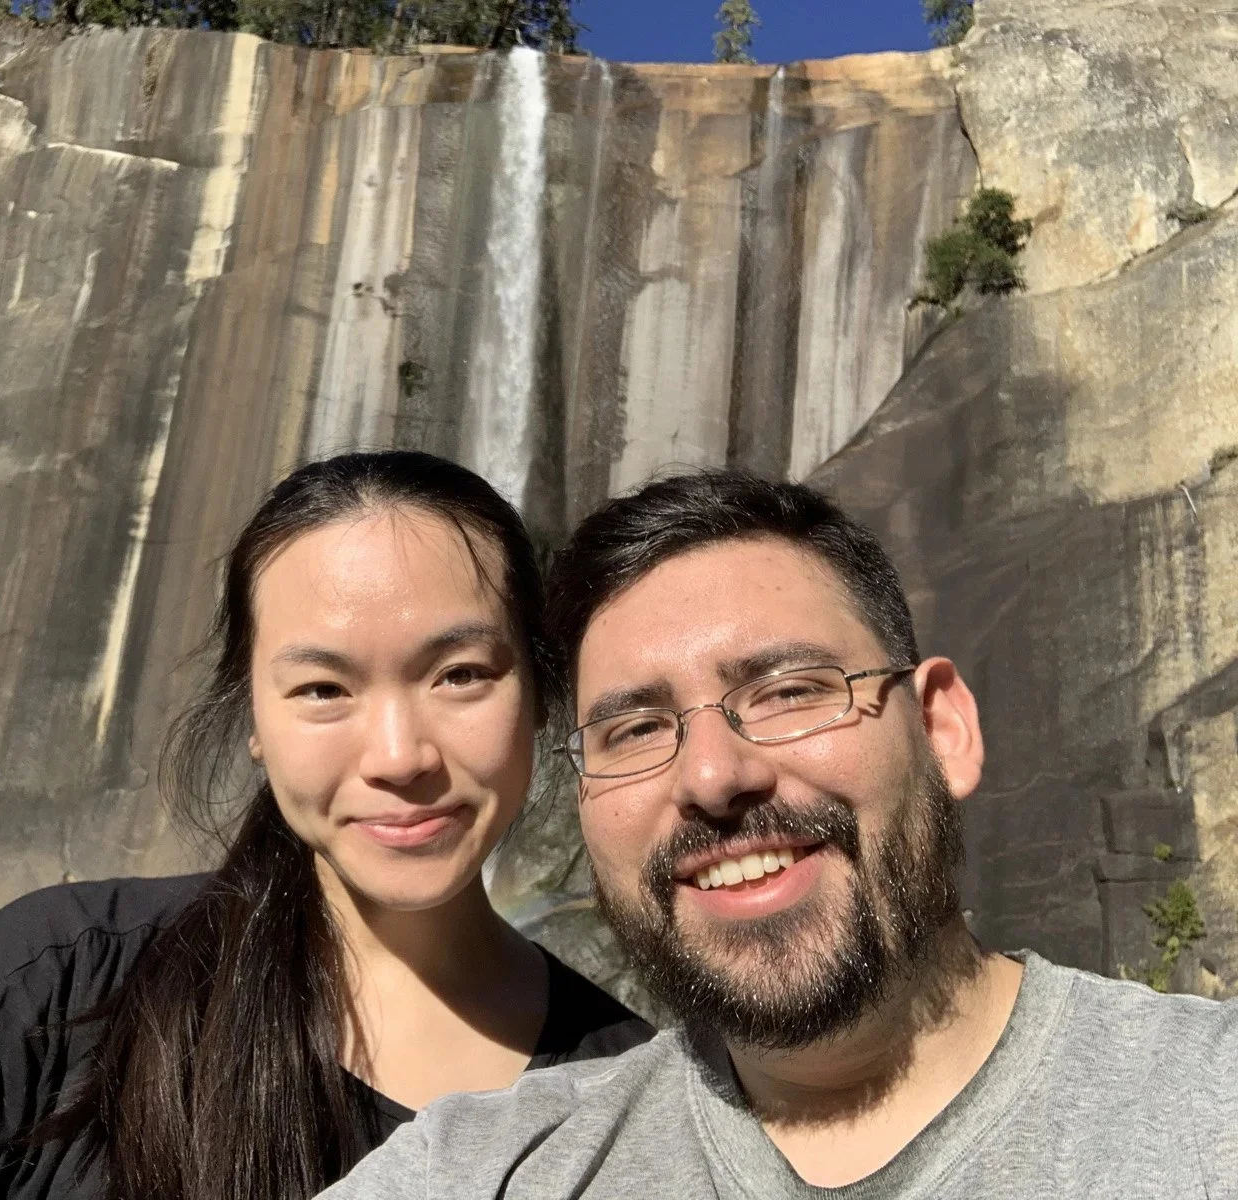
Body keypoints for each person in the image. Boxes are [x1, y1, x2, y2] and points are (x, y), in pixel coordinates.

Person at [321, 468, 1238, 1199]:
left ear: (942, 729)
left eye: (790, 691)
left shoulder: (1206, 1107)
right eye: (635, 729)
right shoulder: (488, 1168)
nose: (715, 777)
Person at [0, 450, 650, 1200]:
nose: (398, 754)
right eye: (323, 689)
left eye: (458, 674)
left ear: (538, 693)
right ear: (255, 721)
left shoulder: (628, 1107)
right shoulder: (62, 983)